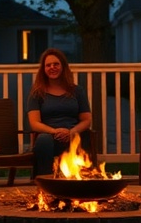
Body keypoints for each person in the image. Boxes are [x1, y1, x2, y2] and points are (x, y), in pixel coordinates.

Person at [27, 48, 92, 176]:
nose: (52, 67)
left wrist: (71, 132)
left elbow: (86, 120)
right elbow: (34, 123)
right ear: (43, 69)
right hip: (49, 136)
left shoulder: (77, 91)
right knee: (44, 140)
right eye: (48, 65)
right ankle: (45, 179)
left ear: (63, 66)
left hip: (73, 135)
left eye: (56, 64)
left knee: (83, 136)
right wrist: (54, 131)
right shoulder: (37, 93)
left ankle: (80, 182)